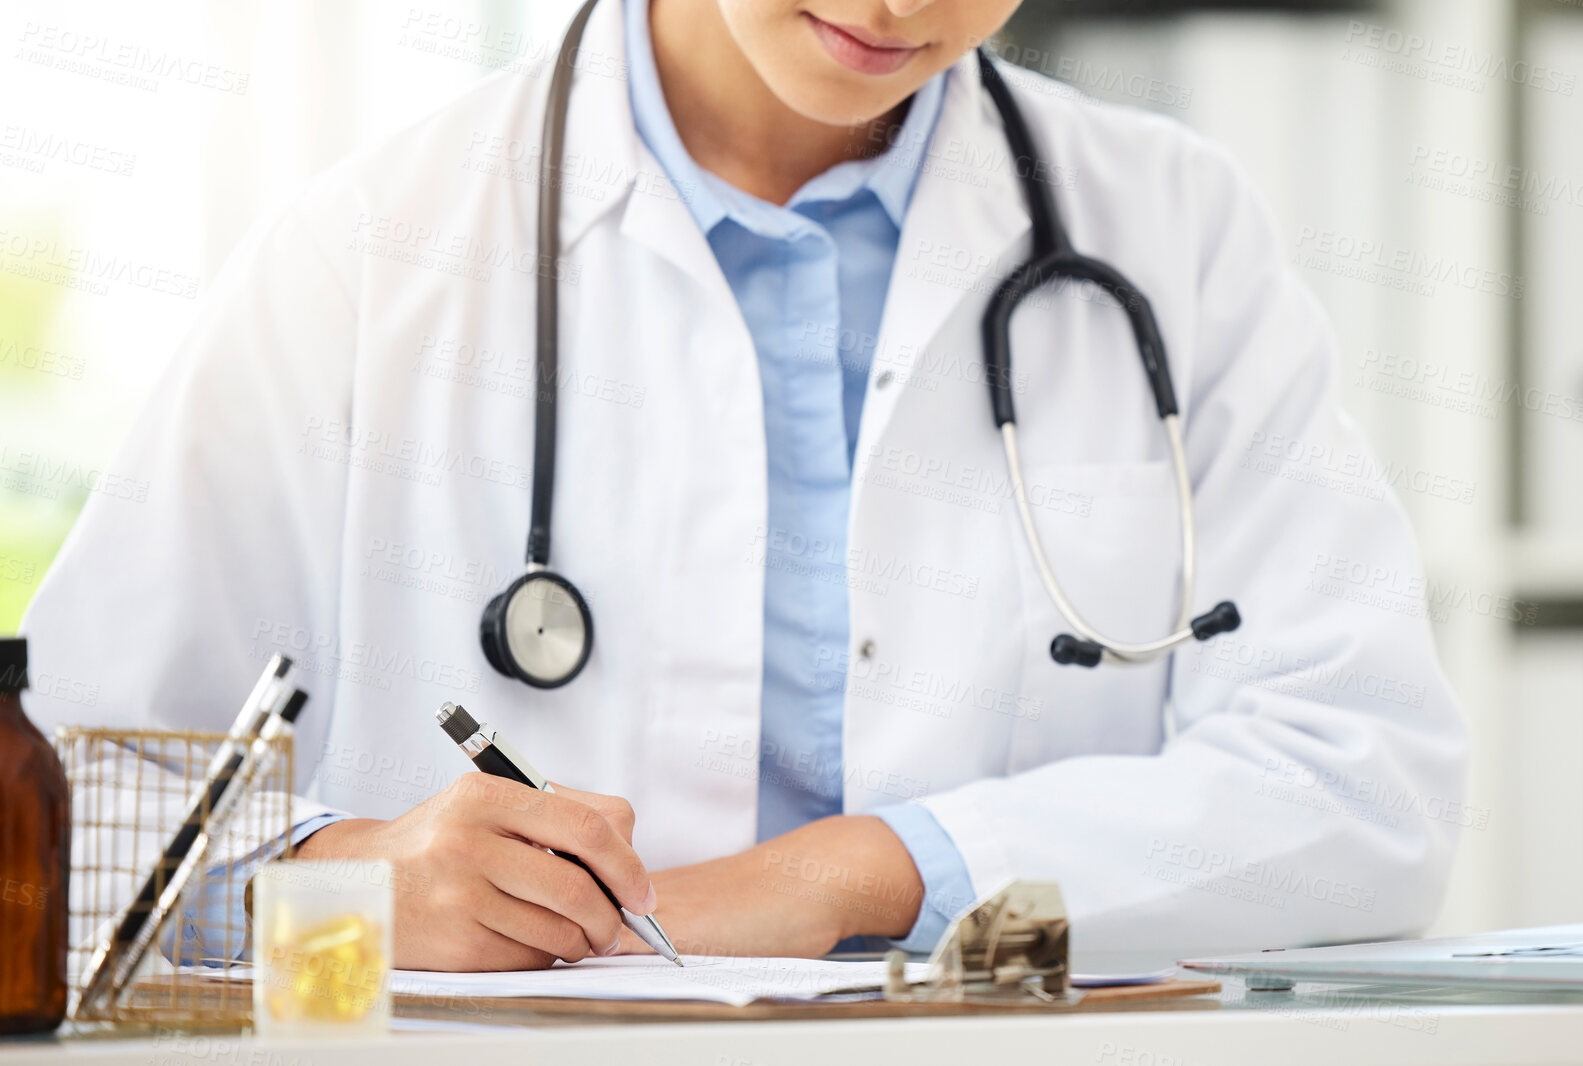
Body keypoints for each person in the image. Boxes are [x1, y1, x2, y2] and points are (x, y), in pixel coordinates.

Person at [23, 0, 1466, 972]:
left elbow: (1363, 789)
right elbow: (72, 827)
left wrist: (875, 870)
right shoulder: (367, 253)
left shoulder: (1172, 233)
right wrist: (352, 896)